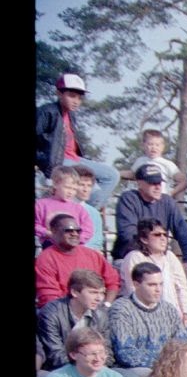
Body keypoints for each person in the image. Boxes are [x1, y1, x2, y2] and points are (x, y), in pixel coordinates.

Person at [36, 74, 120, 207]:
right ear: (59, 93)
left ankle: (87, 212)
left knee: (111, 175)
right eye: (72, 96)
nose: (76, 101)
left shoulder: (71, 115)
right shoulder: (47, 112)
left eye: (79, 98)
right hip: (57, 162)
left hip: (75, 160)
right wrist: (42, 162)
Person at [110, 262, 187, 377]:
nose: (158, 290)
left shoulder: (169, 309)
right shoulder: (121, 309)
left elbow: (183, 344)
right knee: (148, 376)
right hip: (135, 369)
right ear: (136, 284)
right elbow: (126, 354)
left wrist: (176, 363)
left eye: (161, 284)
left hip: (171, 365)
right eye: (152, 285)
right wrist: (163, 364)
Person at [35, 213, 120, 309]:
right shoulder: (46, 258)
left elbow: (113, 282)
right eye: (68, 230)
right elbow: (49, 296)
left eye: (78, 231)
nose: (74, 234)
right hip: (62, 312)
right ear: (54, 231)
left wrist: (106, 305)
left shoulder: (93, 255)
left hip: (97, 310)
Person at [37, 269, 111, 372]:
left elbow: (107, 350)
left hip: (94, 367)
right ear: (74, 292)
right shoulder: (51, 313)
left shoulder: (101, 314)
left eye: (102, 293)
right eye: (93, 292)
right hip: (59, 371)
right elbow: (55, 354)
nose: (99, 298)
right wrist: (86, 368)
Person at [120, 218, 187, 319]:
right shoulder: (134, 257)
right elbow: (133, 290)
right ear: (144, 239)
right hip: (143, 315)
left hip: (174, 315)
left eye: (165, 235)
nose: (163, 238)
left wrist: (185, 313)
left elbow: (181, 287)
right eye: (157, 235)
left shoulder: (170, 257)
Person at [35, 167, 92, 248]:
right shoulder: (41, 205)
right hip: (50, 246)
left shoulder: (79, 209)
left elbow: (88, 230)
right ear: (55, 184)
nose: (70, 192)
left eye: (74, 189)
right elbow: (36, 225)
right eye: (67, 187)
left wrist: (75, 239)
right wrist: (49, 233)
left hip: (73, 247)